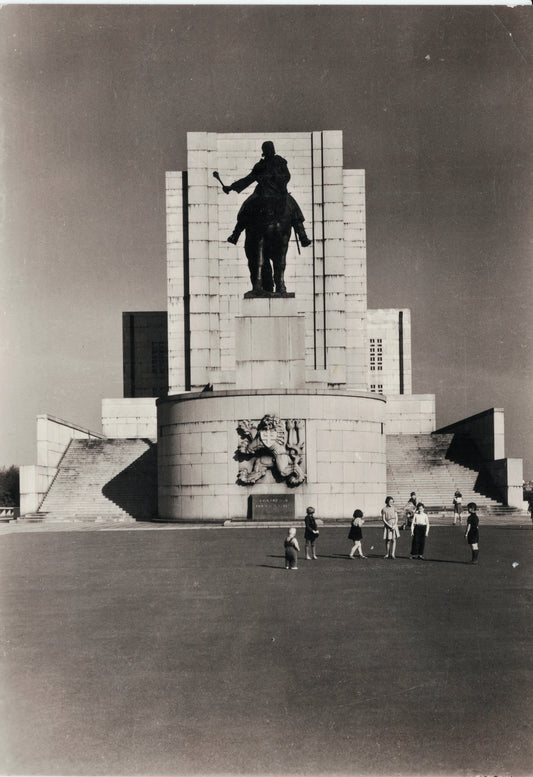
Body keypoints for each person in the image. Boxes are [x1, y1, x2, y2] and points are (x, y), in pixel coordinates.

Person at [223, 141, 312, 247]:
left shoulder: (280, 162)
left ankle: (303, 236)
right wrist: (232, 187)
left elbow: (287, 176)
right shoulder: (260, 166)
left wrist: (279, 184)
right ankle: (235, 234)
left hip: (277, 193)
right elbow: (248, 179)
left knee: (294, 208)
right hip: (264, 193)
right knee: (246, 206)